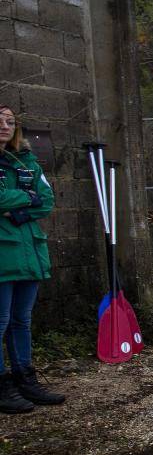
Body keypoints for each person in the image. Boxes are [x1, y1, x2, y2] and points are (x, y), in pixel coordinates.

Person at [0, 105, 66, 414]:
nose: (5, 126)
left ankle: (25, 379)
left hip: (29, 251)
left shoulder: (26, 160)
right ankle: (2, 386)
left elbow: (47, 201)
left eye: (10, 121)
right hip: (3, 252)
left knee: (21, 321)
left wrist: (17, 205)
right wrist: (27, 197)